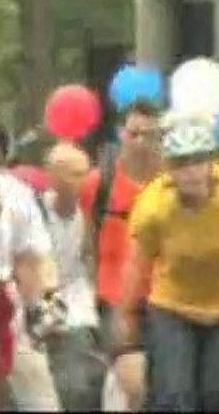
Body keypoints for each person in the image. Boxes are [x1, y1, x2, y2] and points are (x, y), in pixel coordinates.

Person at [119, 112, 219, 410]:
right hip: (173, 306)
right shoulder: (153, 205)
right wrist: (125, 314)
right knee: (175, 394)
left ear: (209, 162)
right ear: (169, 169)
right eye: (181, 163)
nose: (190, 172)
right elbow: (137, 263)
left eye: (197, 161)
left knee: (215, 394)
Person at [0, 114, 60, 412]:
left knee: (43, 401)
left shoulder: (18, 194)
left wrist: (45, 308)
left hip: (11, 301)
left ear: (3, 149)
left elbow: (34, 256)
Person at [79, 98, 161, 410]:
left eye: (149, 135)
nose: (140, 143)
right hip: (115, 298)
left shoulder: (170, 185)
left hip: (165, 300)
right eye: (134, 133)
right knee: (136, 383)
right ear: (121, 134)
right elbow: (87, 244)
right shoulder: (98, 185)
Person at [40, 142, 106, 411]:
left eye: (86, 173)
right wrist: (50, 310)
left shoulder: (90, 213)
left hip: (78, 299)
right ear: (53, 176)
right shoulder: (34, 210)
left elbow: (90, 264)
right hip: (40, 297)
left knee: (84, 374)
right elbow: (36, 268)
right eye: (76, 174)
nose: (85, 181)